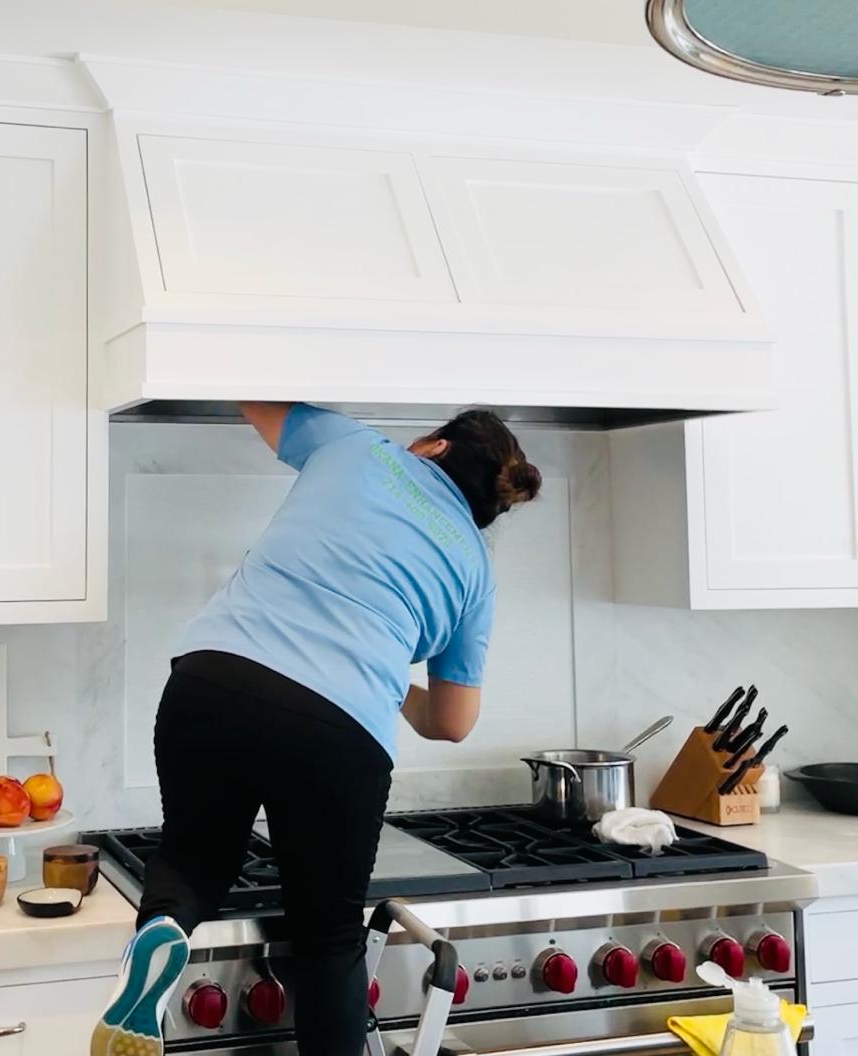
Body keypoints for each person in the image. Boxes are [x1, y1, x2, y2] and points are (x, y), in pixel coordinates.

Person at [90, 402, 542, 1056]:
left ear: (435, 447)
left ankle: (161, 935)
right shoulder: (475, 570)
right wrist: (384, 677)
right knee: (327, 940)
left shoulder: (358, 447)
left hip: (214, 678)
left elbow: (255, 394)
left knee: (192, 860)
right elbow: (453, 721)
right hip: (340, 731)